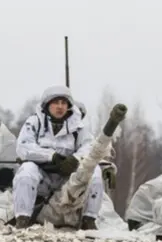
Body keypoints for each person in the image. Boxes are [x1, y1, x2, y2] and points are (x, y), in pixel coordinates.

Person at [13, 85, 103, 229]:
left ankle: (89, 220)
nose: (60, 106)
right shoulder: (34, 123)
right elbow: (23, 147)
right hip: (43, 176)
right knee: (26, 169)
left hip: (69, 180)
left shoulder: (78, 128)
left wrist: (75, 159)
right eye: (56, 102)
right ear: (47, 105)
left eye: (64, 103)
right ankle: (22, 218)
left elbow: (89, 148)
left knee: (95, 171)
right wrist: (51, 156)